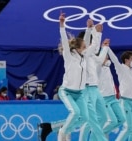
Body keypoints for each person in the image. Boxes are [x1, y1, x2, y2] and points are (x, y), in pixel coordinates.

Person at [56, 12, 91, 141]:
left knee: (85, 118)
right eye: (84, 47)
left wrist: (88, 28)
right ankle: (63, 131)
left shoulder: (84, 57)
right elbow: (65, 41)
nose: (86, 48)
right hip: (67, 91)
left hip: (80, 93)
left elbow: (85, 41)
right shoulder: (69, 56)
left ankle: (66, 128)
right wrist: (62, 25)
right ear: (77, 48)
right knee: (75, 112)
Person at [79, 22, 109, 141]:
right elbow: (92, 44)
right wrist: (92, 30)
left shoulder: (91, 56)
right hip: (87, 89)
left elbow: (100, 57)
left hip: (95, 89)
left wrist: (105, 47)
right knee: (92, 121)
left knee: (103, 117)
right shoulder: (83, 53)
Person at [97, 39, 125, 136]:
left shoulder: (108, 68)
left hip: (113, 98)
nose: (108, 59)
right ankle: (98, 134)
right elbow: (100, 60)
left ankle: (101, 133)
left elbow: (115, 60)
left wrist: (107, 48)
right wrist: (103, 49)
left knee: (122, 119)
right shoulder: (98, 68)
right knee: (112, 121)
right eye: (106, 57)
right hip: (104, 99)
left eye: (108, 57)